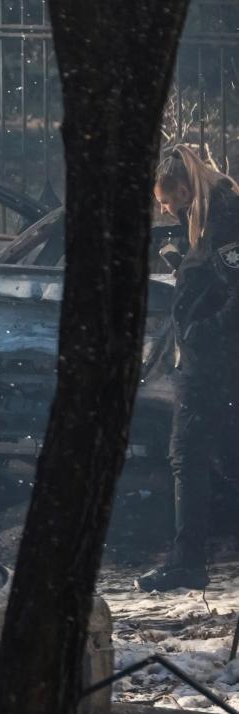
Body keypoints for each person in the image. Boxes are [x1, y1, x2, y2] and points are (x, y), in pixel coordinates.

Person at [137, 145, 239, 592]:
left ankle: (188, 562)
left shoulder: (223, 221)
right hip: (211, 358)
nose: (166, 210)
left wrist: (204, 330)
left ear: (181, 189)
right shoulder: (209, 218)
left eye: (165, 202)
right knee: (223, 457)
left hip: (213, 361)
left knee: (188, 455)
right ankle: (188, 559)